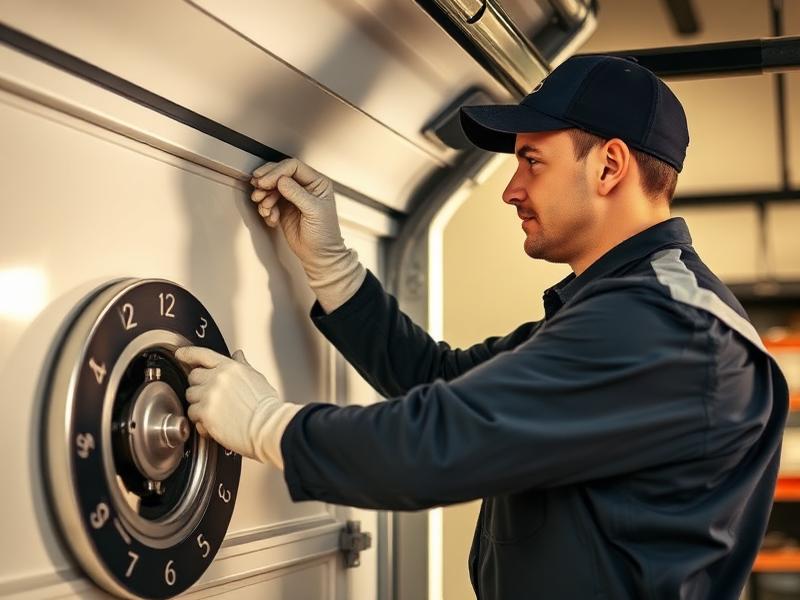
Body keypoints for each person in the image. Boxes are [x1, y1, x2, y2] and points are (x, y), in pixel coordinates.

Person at [174, 55, 789, 599]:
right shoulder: (620, 309)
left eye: (531, 161)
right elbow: (439, 379)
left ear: (609, 167)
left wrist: (266, 426)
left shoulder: (664, 326)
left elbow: (438, 442)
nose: (512, 190)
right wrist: (331, 266)